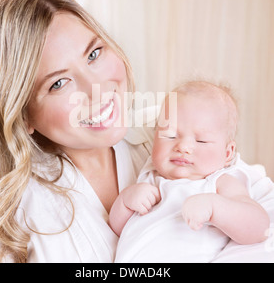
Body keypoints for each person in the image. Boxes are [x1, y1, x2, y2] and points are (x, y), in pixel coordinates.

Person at [0, 0, 273, 263]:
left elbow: (264, 222)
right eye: (59, 83)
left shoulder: (168, 132)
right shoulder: (11, 217)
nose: (97, 88)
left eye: (94, 53)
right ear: (22, 115)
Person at [110, 81, 271, 262]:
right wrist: (125, 201)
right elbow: (117, 229)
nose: (183, 147)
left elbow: (258, 228)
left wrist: (214, 208)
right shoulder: (150, 176)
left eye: (201, 141)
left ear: (227, 153)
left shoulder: (219, 182)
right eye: (169, 135)